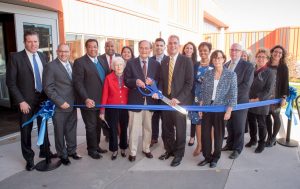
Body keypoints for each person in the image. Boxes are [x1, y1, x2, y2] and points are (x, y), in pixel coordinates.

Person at [6, 30, 55, 171]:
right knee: (26, 130)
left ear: (39, 42)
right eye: (30, 41)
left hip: (42, 99)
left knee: (44, 127)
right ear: (24, 42)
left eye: (35, 41)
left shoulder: (43, 56)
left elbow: (47, 77)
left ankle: (45, 151)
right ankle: (29, 158)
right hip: (25, 101)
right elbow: (11, 82)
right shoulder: (15, 57)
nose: (33, 44)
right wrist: (21, 101)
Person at [153, 35, 194, 167]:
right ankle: (169, 150)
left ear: (179, 45)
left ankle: (179, 154)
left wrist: (179, 98)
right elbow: (161, 81)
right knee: (167, 128)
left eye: (175, 43)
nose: (172, 45)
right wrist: (158, 91)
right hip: (166, 102)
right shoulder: (164, 61)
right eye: (170, 43)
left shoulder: (186, 61)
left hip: (179, 103)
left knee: (180, 129)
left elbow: (189, 83)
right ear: (167, 46)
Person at [43, 43, 82, 165]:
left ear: (69, 52)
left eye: (66, 51)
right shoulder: (51, 66)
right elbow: (48, 88)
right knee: (59, 131)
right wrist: (60, 102)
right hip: (60, 106)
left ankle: (72, 151)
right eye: (61, 51)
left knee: (71, 129)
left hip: (73, 105)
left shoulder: (72, 64)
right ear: (56, 51)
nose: (63, 54)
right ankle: (62, 154)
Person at [198, 50, 237, 168]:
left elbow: (233, 94)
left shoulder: (231, 74)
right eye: (214, 58)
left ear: (224, 59)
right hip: (207, 108)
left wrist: (229, 110)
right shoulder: (208, 74)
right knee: (205, 134)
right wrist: (200, 107)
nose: (216, 60)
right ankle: (207, 156)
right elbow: (203, 92)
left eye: (219, 58)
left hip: (221, 109)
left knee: (218, 135)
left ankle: (215, 158)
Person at [73, 39, 109, 159]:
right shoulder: (80, 62)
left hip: (101, 101)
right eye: (90, 47)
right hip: (89, 102)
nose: (93, 49)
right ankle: (91, 150)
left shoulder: (102, 60)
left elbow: (107, 79)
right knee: (91, 126)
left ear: (97, 48)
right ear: (86, 48)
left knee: (98, 125)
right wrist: (86, 98)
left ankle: (97, 146)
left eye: (95, 47)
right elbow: (78, 83)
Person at [124, 40, 160, 162]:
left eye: (146, 48)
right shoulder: (130, 63)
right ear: (138, 49)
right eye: (141, 48)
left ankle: (146, 148)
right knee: (133, 128)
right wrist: (135, 82)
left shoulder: (155, 64)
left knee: (148, 128)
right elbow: (126, 80)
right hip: (135, 101)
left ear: (150, 50)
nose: (144, 50)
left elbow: (159, 81)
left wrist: (153, 82)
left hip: (150, 102)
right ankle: (132, 151)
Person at [222, 43, 254, 159]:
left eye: (237, 50)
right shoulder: (225, 65)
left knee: (239, 126)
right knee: (229, 125)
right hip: (226, 102)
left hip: (240, 102)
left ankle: (237, 149)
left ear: (241, 52)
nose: (234, 52)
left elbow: (246, 85)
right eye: (232, 50)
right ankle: (229, 144)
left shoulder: (248, 66)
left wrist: (231, 96)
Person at [246, 48, 275, 153]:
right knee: (251, 122)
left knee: (261, 124)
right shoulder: (251, 70)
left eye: (263, 57)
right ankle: (253, 139)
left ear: (267, 59)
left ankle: (261, 143)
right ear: (256, 58)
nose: (261, 59)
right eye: (259, 57)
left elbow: (269, 90)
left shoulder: (270, 73)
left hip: (261, 102)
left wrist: (257, 99)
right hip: (249, 102)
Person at [99, 57, 129, 160]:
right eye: (116, 65)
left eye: (120, 64)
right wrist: (102, 111)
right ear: (113, 67)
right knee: (112, 129)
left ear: (123, 66)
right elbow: (104, 94)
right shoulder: (108, 77)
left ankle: (123, 147)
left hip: (125, 107)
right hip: (112, 108)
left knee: (124, 128)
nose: (119, 67)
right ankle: (114, 149)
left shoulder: (127, 77)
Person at [190, 42, 213, 156]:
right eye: (201, 50)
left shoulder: (214, 65)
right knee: (198, 122)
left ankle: (210, 145)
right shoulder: (195, 65)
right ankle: (199, 145)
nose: (203, 52)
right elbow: (191, 81)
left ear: (209, 51)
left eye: (205, 50)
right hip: (196, 98)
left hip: (210, 99)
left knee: (210, 123)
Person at [266, 45, 289, 147]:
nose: (277, 54)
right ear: (272, 52)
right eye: (276, 51)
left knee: (275, 116)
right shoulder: (266, 64)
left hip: (277, 96)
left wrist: (284, 97)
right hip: (266, 96)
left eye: (280, 53)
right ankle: (269, 136)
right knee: (267, 116)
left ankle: (273, 138)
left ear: (282, 55)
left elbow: (285, 83)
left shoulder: (283, 67)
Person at [150, 38, 167, 147]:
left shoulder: (169, 59)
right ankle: (154, 137)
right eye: (157, 45)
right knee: (154, 117)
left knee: (165, 118)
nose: (159, 47)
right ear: (154, 46)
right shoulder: (150, 60)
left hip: (166, 95)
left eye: (161, 45)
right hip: (153, 94)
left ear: (164, 47)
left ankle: (166, 139)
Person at [182, 42, 198, 147]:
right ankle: (181, 136)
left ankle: (192, 137)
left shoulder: (196, 63)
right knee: (181, 115)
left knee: (193, 116)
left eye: (191, 48)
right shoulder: (179, 61)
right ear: (184, 49)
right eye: (186, 48)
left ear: (193, 51)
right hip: (182, 93)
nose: (188, 50)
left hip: (193, 93)